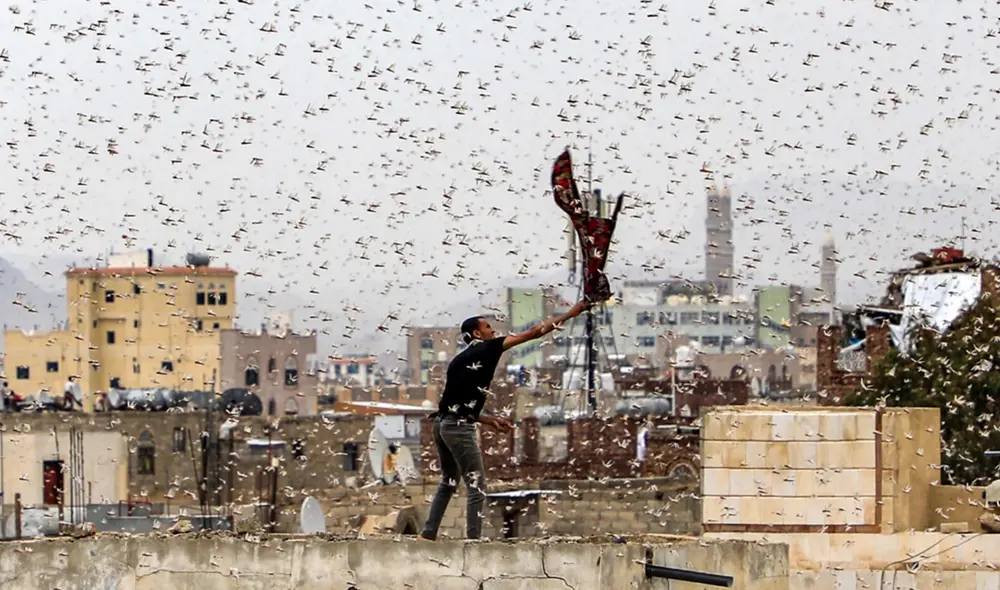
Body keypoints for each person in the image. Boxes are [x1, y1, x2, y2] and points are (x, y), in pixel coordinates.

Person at [419, 299, 592, 541]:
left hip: (441, 425)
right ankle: (473, 542)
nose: (493, 331)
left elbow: (455, 404)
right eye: (488, 327)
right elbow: (534, 332)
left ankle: (428, 533)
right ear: (477, 334)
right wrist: (572, 313)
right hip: (458, 428)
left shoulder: (458, 360)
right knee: (477, 487)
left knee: (448, 482)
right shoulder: (488, 348)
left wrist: (488, 420)